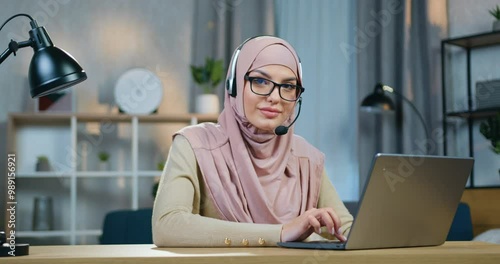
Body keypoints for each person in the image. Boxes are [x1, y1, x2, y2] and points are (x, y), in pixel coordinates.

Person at [152, 36, 353, 247]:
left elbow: (348, 230)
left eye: (288, 86)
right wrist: (282, 232)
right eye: (260, 81)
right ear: (234, 85)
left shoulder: (306, 156)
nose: (275, 97)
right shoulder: (194, 144)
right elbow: (167, 226)